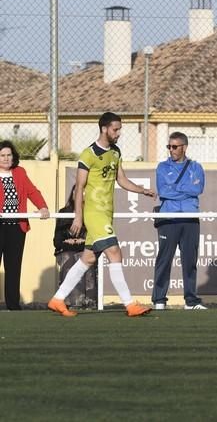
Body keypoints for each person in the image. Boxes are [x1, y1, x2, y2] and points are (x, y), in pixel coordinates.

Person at [48, 112, 155, 317]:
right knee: (115, 252)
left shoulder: (115, 152)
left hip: (106, 214)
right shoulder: (88, 154)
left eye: (120, 129)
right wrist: (78, 216)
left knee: (87, 259)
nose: (119, 133)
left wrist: (142, 190)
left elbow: (121, 180)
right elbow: (80, 187)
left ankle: (57, 299)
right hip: (94, 213)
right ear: (104, 128)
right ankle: (130, 304)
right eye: (116, 129)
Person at [152, 132, 206, 310]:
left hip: (190, 218)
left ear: (184, 147)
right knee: (164, 260)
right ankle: (159, 300)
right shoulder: (162, 167)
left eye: (175, 147)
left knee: (190, 261)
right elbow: (164, 191)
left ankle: (191, 301)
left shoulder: (196, 167)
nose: (171, 150)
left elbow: (197, 189)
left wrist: (175, 187)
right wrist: (184, 188)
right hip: (168, 218)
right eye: (169, 146)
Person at [0, 140, 49, 310]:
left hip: (16, 226)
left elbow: (32, 191)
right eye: (2, 156)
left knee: (13, 267)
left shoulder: (20, 172)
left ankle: (13, 305)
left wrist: (42, 207)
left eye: (9, 155)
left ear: (13, 157)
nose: (6, 159)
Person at [53, 184, 96, 308]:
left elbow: (94, 237)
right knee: (69, 258)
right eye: (76, 192)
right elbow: (57, 241)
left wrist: (80, 242)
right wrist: (69, 242)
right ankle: (71, 302)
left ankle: (89, 302)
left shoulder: (92, 213)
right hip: (65, 249)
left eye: (83, 192)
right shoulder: (63, 213)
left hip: (85, 248)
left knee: (85, 257)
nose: (79, 195)